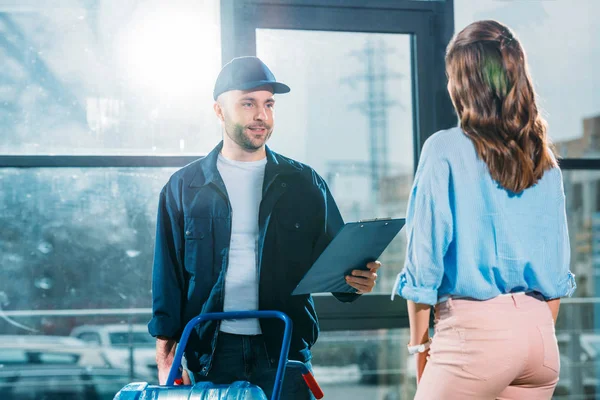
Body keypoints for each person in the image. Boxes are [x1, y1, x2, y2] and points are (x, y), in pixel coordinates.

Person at [148, 56, 380, 399]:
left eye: (268, 104)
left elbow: (337, 265)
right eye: (248, 103)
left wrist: (359, 281)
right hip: (211, 354)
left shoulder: (304, 183)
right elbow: (167, 280)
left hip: (285, 349)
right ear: (219, 110)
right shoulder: (184, 187)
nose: (262, 115)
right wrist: (167, 358)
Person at [391, 20, 576, 399]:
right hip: (540, 338)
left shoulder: (444, 149)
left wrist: (420, 349)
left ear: (464, 84)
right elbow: (556, 275)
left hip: (475, 338)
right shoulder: (545, 162)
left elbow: (423, 266)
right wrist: (525, 335)